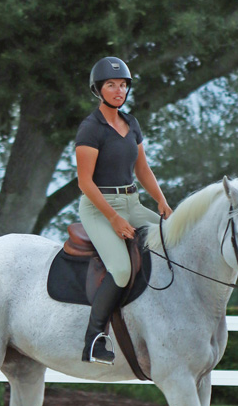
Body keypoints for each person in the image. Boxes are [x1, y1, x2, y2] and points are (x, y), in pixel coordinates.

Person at [74, 57, 173, 364]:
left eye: (123, 85)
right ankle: (94, 340)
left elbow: (142, 169)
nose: (119, 91)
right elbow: (85, 182)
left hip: (132, 202)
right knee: (120, 269)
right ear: (98, 90)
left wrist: (161, 200)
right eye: (111, 85)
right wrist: (114, 218)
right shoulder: (90, 129)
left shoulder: (131, 123)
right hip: (98, 207)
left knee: (172, 239)